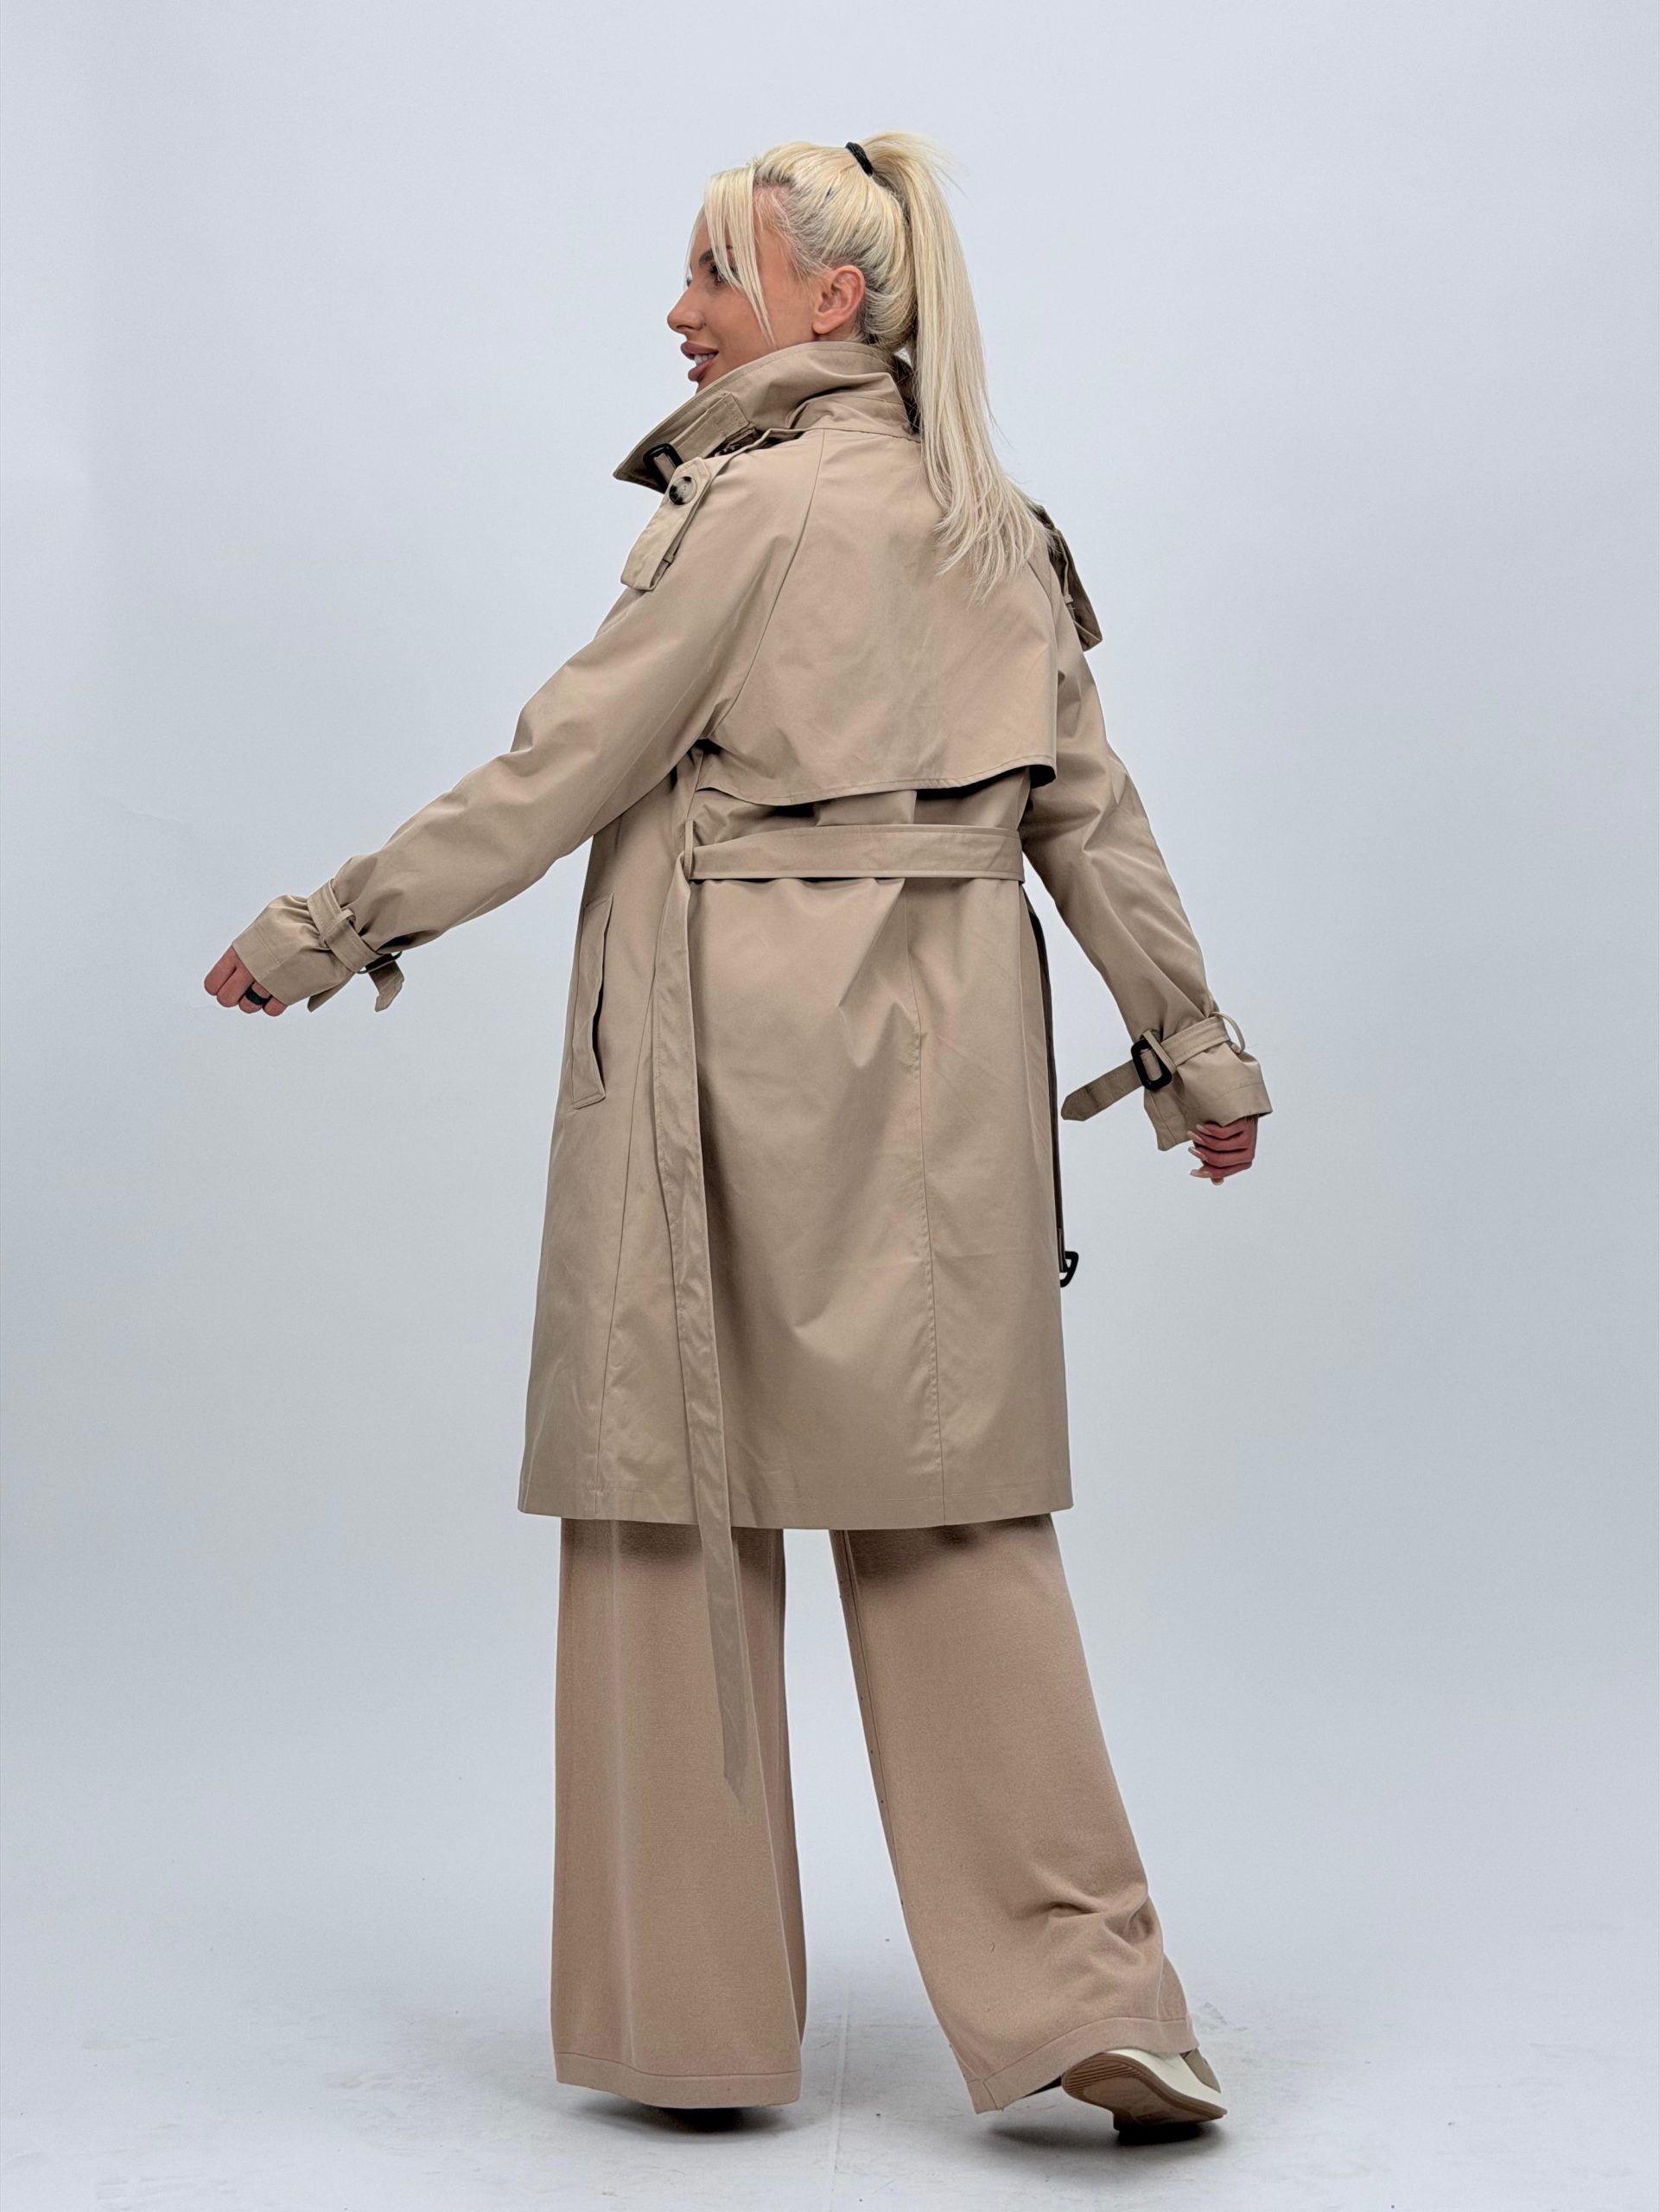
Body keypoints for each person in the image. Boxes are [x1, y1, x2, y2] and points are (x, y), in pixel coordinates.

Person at [206, 131, 1270, 2136]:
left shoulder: (751, 515)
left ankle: (683, 2025)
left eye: (714, 274)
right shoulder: (998, 522)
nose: (679, 313)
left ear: (830, 300)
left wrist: (326, 930)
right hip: (949, 1085)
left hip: (714, 1067)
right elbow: (1093, 821)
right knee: (952, 1516)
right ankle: (1087, 1995)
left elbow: (555, 769)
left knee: (664, 1509)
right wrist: (1196, 1054)